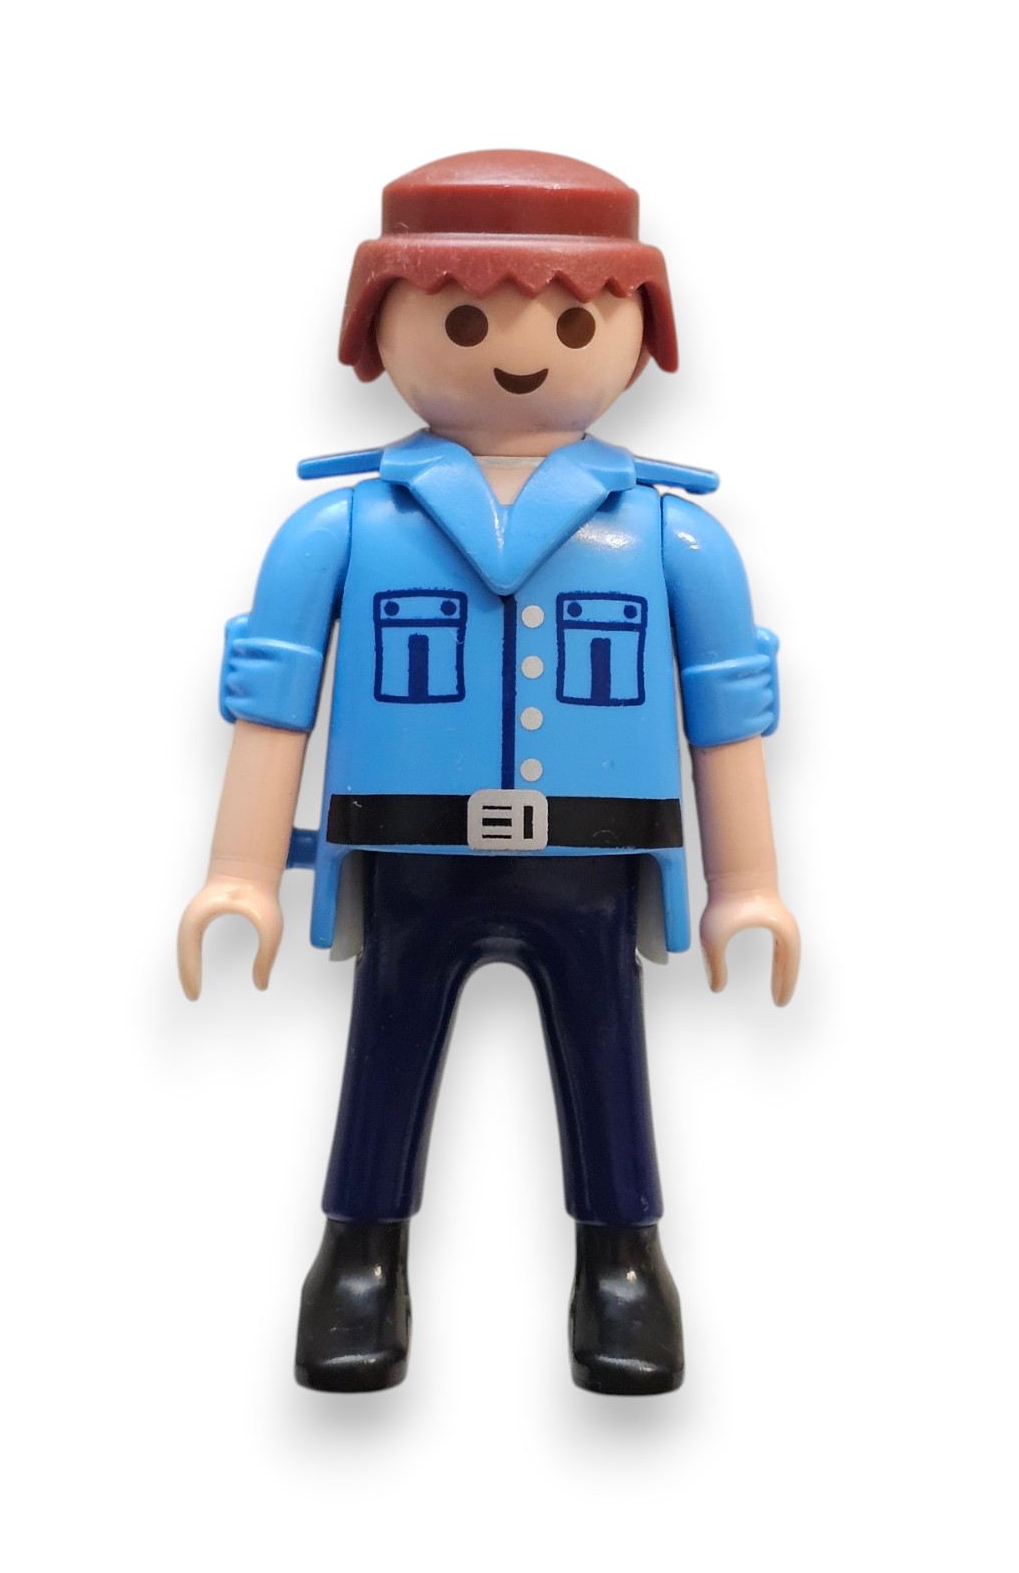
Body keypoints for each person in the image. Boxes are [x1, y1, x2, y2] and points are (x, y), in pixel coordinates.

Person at [178, 149, 800, 1395]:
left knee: (607, 1055)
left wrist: (747, 885)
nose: (519, 353)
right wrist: (241, 870)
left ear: (635, 334)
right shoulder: (339, 528)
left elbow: (725, 713)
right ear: (381, 328)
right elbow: (274, 697)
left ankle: (623, 1261)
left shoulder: (674, 536)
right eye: (464, 321)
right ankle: (358, 1255)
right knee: (387, 1047)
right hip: (408, 851)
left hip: (591, 855)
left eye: (572, 323)